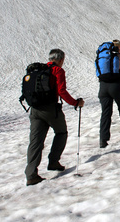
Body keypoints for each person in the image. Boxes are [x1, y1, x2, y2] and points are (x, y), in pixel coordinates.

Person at [25, 49, 85, 186]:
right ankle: (53, 161)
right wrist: (75, 103)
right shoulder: (58, 71)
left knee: (35, 141)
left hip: (34, 110)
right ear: (61, 59)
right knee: (61, 132)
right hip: (50, 109)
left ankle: (31, 174)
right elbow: (61, 91)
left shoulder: (39, 70)